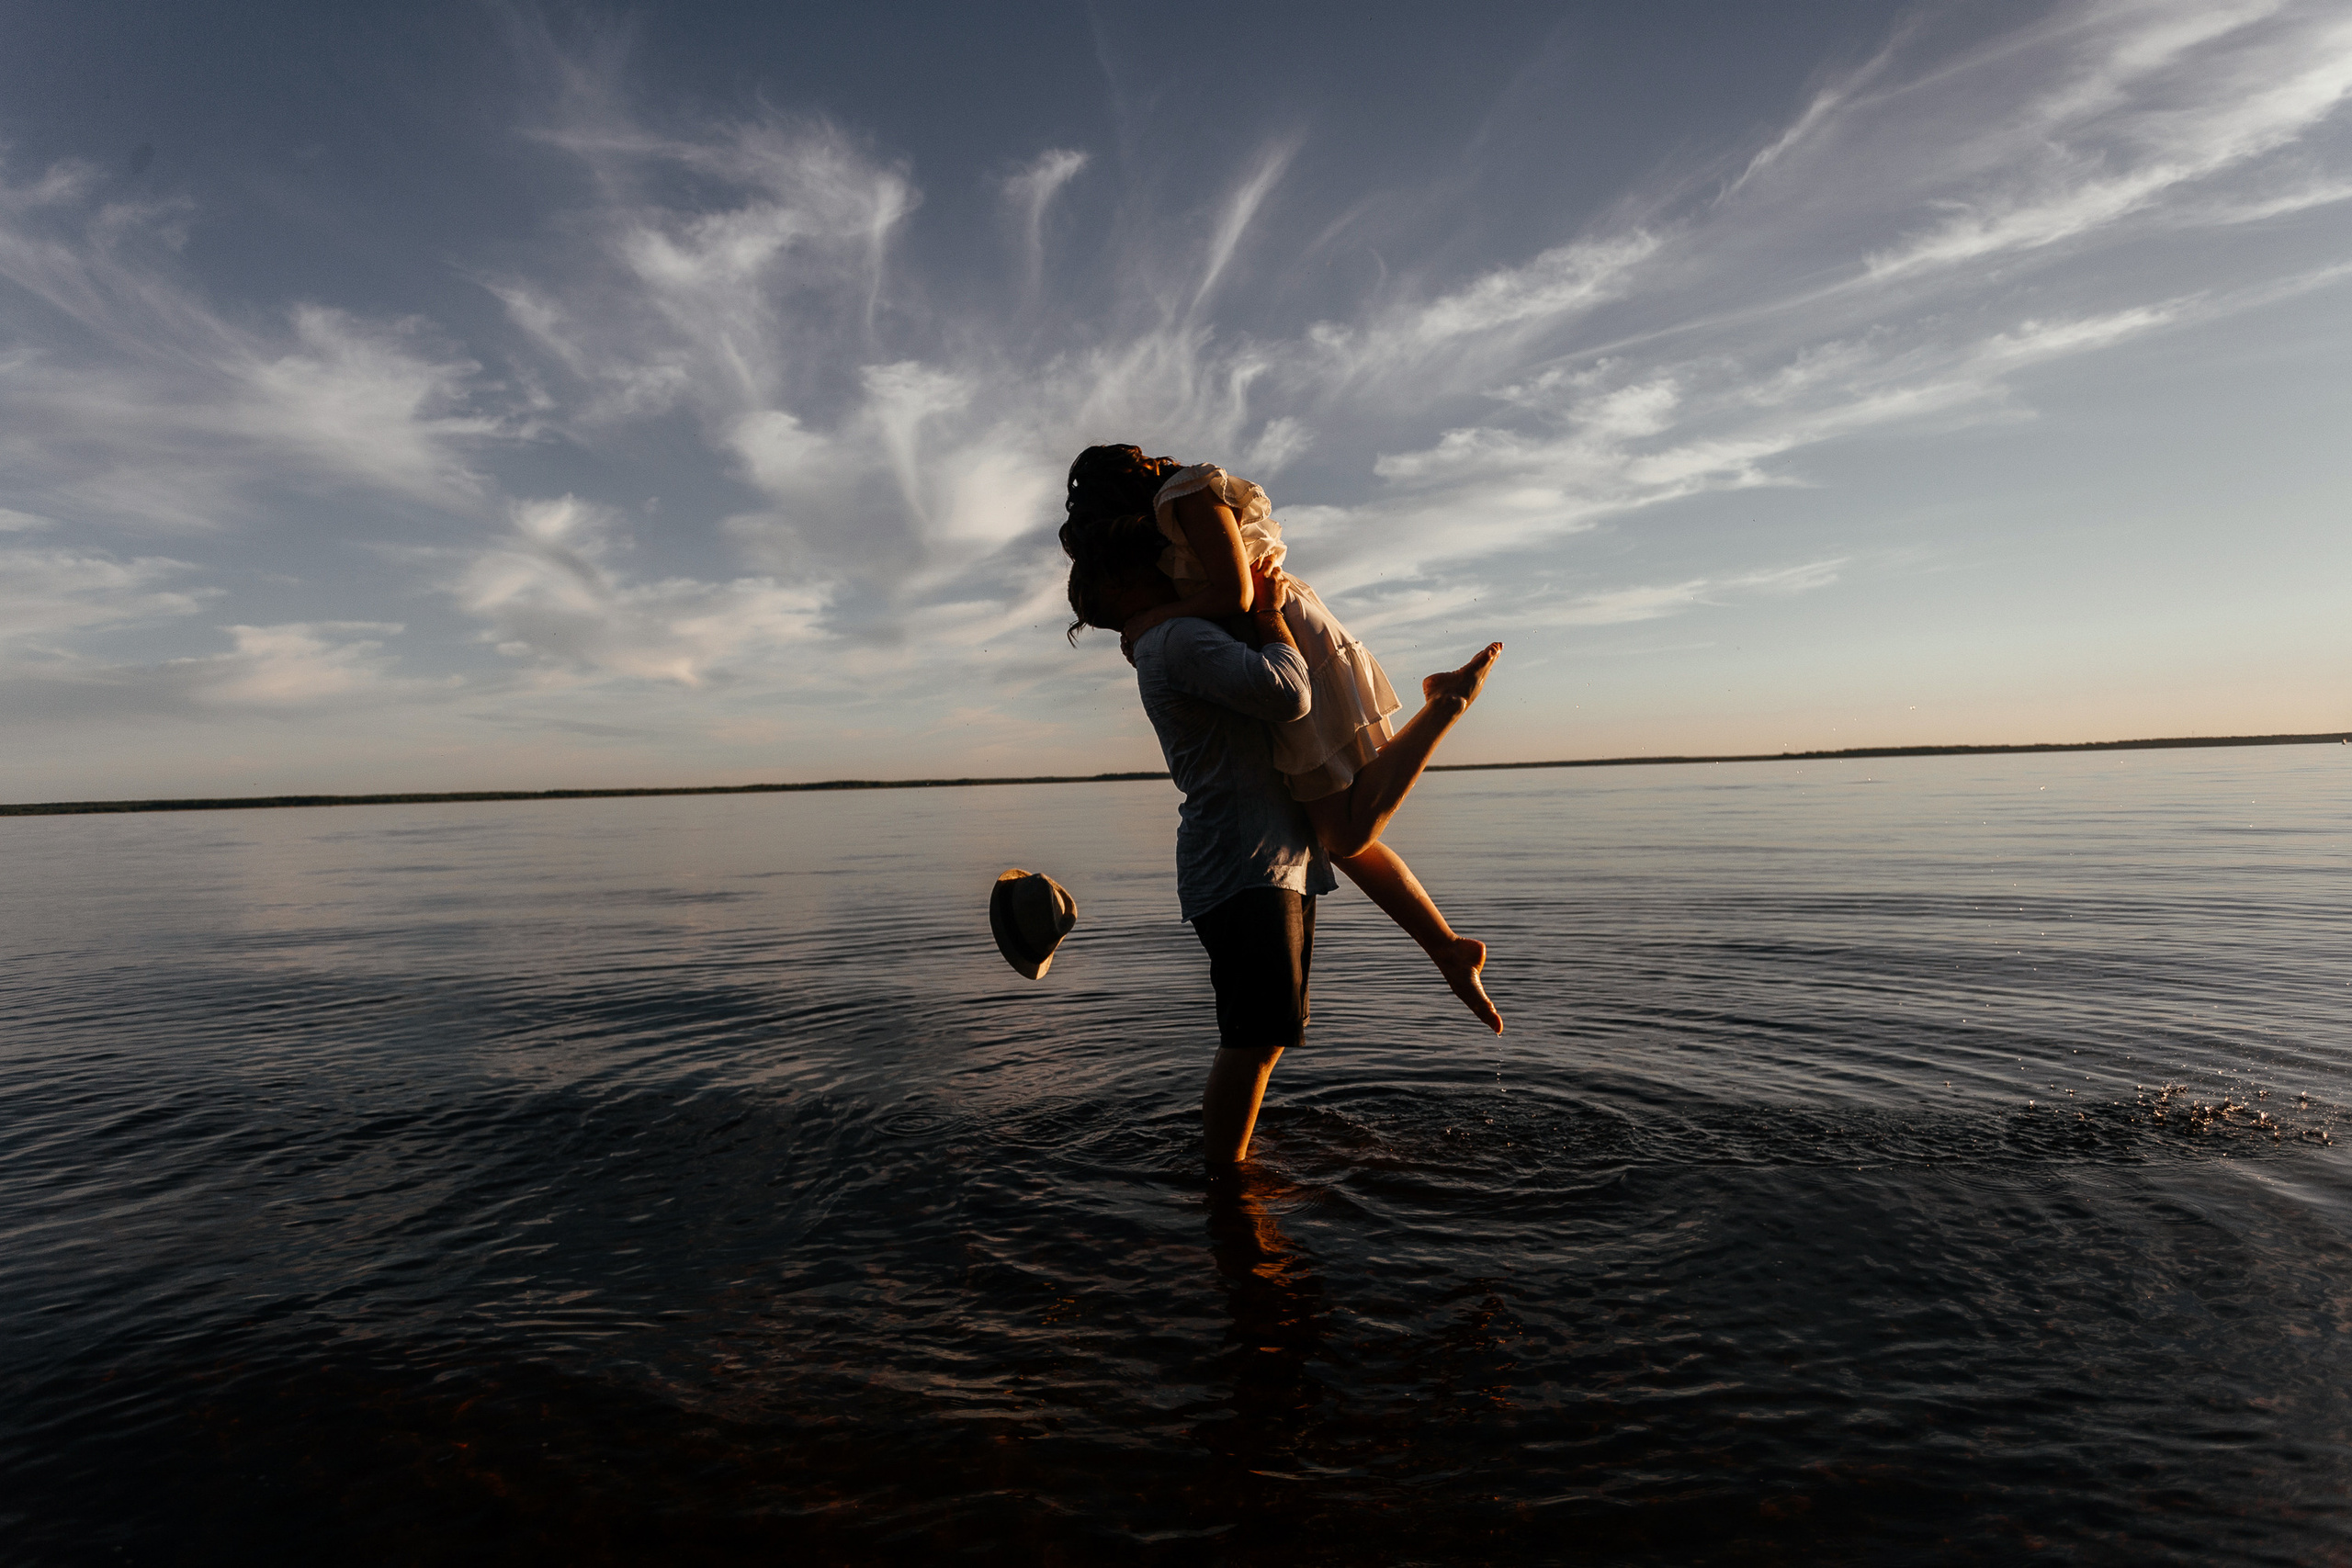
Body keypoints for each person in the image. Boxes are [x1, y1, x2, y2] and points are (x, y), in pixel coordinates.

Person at [1065, 514, 1498, 1166]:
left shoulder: (1171, 633)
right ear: (1122, 589)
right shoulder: (1176, 638)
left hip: (1266, 855)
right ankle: (1226, 1183)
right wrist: (1269, 614)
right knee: (1253, 1038)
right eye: (1148, 569)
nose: (1168, 570)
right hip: (1246, 861)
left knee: (1262, 1033)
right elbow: (1290, 692)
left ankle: (1232, 1185)